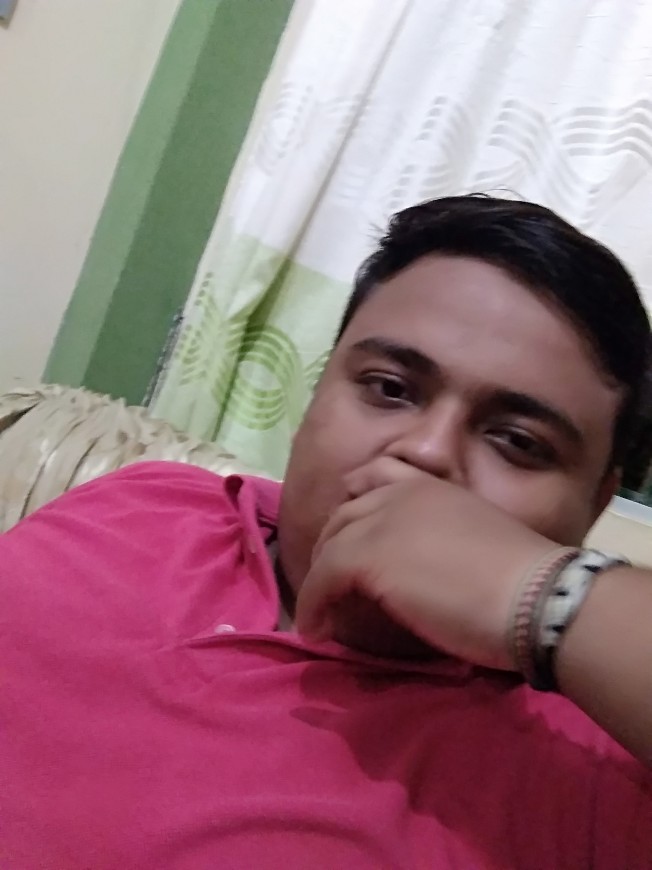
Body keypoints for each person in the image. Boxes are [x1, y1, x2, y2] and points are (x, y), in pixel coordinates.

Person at [2, 196, 652, 869]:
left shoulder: (590, 765)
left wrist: (544, 595)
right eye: (389, 388)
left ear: (596, 501)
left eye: (518, 441)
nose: (426, 452)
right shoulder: (146, 499)